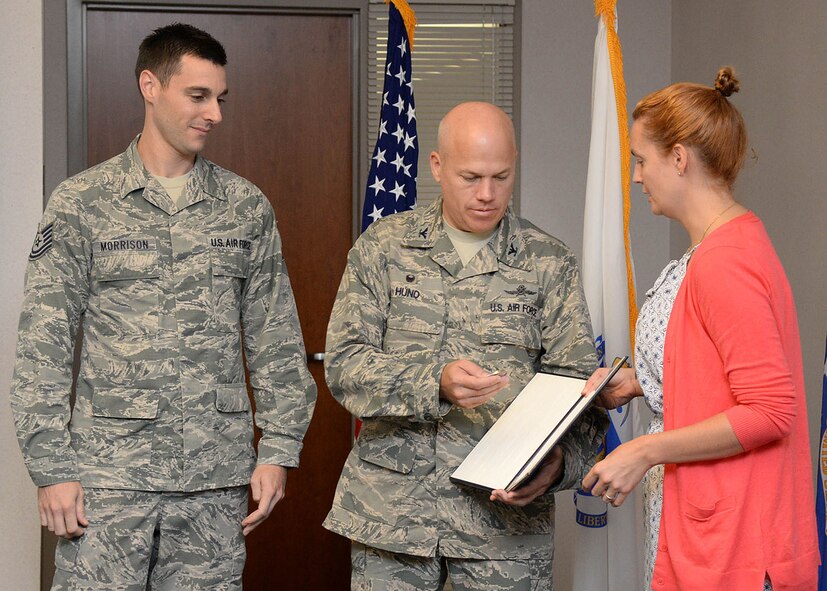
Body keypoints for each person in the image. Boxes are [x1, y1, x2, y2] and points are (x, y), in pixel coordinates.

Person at [10, 23, 317, 590]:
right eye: (197, 96)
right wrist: (50, 469)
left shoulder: (245, 208)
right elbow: (43, 347)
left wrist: (278, 451)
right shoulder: (83, 204)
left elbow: (276, 340)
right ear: (150, 86)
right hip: (108, 485)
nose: (214, 114)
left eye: (220, 99)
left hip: (214, 485)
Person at [323, 101, 607, 590]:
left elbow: (583, 395)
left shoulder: (548, 263)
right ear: (436, 166)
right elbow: (344, 365)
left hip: (506, 527)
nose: (487, 194)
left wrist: (560, 466)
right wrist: (432, 381)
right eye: (470, 177)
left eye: (501, 176)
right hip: (394, 517)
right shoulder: (384, 248)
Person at [581, 68, 819, 590]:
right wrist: (644, 384)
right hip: (700, 523)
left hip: (735, 539)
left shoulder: (725, 261)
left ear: (680, 158)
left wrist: (642, 449)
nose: (638, 176)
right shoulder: (717, 248)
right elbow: (721, 368)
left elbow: (769, 410)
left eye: (642, 160)